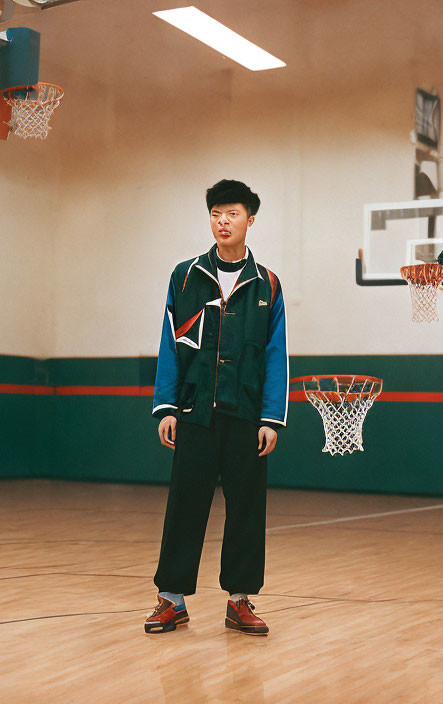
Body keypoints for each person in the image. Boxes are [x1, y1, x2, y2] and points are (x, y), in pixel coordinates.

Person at [146, 179, 288, 636]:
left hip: (246, 417)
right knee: (185, 505)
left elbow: (275, 353)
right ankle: (171, 599)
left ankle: (240, 600)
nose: (223, 221)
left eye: (232, 213)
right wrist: (166, 406)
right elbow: (170, 344)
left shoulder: (267, 284)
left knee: (247, 509)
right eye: (215, 214)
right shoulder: (184, 276)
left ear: (250, 219)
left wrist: (270, 417)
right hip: (194, 415)